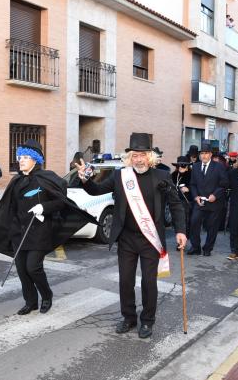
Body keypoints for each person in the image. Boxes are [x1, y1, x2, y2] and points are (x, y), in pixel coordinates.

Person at [75, 133, 187, 339]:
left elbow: (176, 205)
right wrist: (85, 178)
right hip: (126, 238)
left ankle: (147, 320)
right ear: (130, 157)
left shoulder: (162, 177)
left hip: (150, 239)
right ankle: (128, 317)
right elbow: (96, 189)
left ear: (150, 156)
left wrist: (180, 230)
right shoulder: (121, 176)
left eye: (142, 155)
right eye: (135, 155)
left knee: (148, 282)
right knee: (126, 281)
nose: (138, 159)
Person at [0, 140, 95, 316]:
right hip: (19, 232)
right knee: (21, 269)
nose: (22, 160)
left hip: (40, 231)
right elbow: (8, 206)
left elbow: (60, 202)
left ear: (35, 159)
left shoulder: (47, 177)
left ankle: (47, 296)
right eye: (20, 157)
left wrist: (44, 207)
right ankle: (31, 302)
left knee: (33, 267)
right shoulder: (17, 179)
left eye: (26, 157)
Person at [188, 141, 229, 256]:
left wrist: (215, 195)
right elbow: (193, 184)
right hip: (199, 202)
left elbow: (224, 184)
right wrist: (196, 196)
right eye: (202, 153)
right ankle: (195, 247)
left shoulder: (219, 166)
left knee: (212, 227)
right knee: (194, 222)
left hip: (214, 203)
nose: (204, 156)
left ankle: (207, 248)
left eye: (206, 153)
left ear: (211, 154)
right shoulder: (195, 167)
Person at [171, 155, 192, 236]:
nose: (180, 167)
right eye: (178, 165)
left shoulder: (191, 174)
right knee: (177, 220)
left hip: (186, 201)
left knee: (184, 220)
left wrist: (188, 189)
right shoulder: (174, 175)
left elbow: (197, 186)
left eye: (182, 165)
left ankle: (183, 237)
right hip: (175, 201)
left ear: (187, 166)